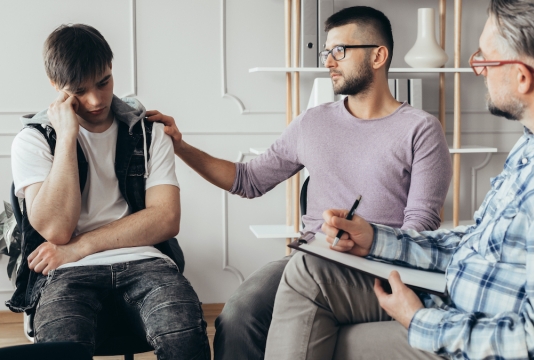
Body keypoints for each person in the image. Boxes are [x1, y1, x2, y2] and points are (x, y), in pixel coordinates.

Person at [264, 0, 534, 359]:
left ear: (522, 77)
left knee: (321, 333)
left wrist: (419, 320)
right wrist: (377, 239)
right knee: (309, 272)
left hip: (473, 333)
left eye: (485, 60)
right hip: (458, 299)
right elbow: (478, 243)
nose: (479, 70)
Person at [148, 6, 452, 360]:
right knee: (238, 314)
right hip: (312, 258)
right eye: (327, 52)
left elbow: (422, 225)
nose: (328, 62)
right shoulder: (312, 123)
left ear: (378, 56)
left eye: (340, 51)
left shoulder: (421, 129)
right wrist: (180, 146)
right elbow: (248, 180)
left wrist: (370, 239)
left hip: (381, 267)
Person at [7, 24, 210, 359]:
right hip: (64, 272)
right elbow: (57, 229)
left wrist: (82, 245)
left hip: (145, 260)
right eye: (79, 90)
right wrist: (68, 135)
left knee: (184, 335)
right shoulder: (33, 140)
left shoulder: (148, 132)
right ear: (56, 86)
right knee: (61, 346)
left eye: (103, 82)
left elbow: (166, 219)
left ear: (111, 68)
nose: (96, 99)